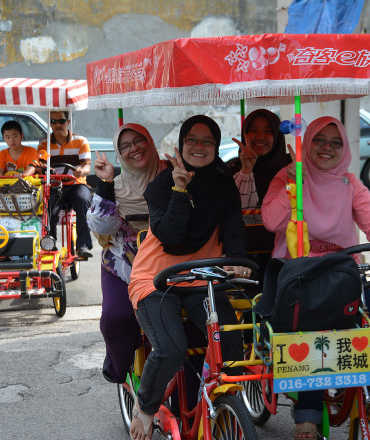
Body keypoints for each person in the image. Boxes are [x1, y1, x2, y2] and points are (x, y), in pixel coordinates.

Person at [262, 116, 370, 440]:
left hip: (342, 273)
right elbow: (271, 222)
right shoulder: (287, 176)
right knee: (311, 343)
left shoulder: (349, 183)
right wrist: (293, 183)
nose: (327, 147)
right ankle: (308, 415)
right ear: (307, 141)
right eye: (319, 140)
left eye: (335, 142)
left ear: (343, 148)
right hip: (297, 274)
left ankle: (342, 386)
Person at [128, 115, 251, 440]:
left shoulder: (223, 183)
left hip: (201, 277)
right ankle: (146, 406)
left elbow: (233, 225)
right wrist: (180, 190)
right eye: (192, 140)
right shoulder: (162, 185)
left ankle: (223, 403)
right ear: (182, 145)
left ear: (215, 146)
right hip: (156, 280)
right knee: (171, 348)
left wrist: (238, 261)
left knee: (233, 342)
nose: (199, 146)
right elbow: (169, 235)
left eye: (207, 140)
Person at [86, 123, 167, 384]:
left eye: (139, 141)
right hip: (125, 264)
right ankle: (120, 367)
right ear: (119, 154)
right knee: (117, 317)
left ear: (150, 142)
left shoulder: (172, 174)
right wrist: (106, 182)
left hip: (170, 264)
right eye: (125, 146)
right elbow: (102, 226)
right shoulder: (115, 184)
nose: (134, 149)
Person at [37, 111, 93, 258]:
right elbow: (40, 167)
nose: (57, 125)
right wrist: (44, 169)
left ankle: (83, 245)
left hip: (76, 184)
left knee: (83, 200)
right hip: (55, 185)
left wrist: (81, 171)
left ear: (68, 122)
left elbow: (87, 167)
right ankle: (50, 243)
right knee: (49, 209)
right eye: (53, 122)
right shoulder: (44, 143)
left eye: (61, 121)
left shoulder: (81, 141)